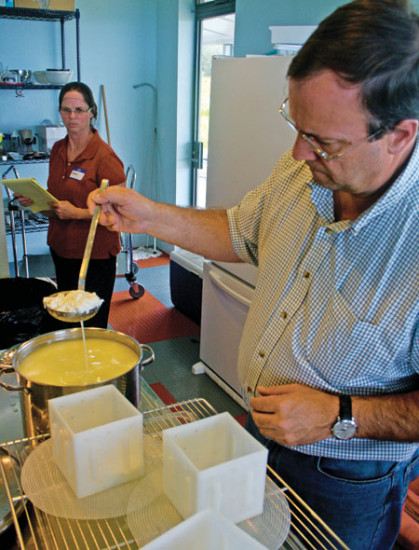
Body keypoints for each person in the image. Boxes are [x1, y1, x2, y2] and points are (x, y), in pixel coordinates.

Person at [88, 1, 419, 547]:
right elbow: (241, 231)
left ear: (400, 136)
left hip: (347, 477)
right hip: (256, 432)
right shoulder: (302, 168)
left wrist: (341, 415)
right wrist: (150, 214)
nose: (296, 151)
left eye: (322, 142)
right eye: (294, 124)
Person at [16, 82, 126, 329]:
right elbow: (56, 198)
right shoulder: (57, 150)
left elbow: (119, 210)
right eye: (66, 110)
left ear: (92, 112)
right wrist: (35, 201)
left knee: (91, 324)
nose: (72, 116)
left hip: (94, 253)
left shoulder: (105, 157)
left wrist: (75, 213)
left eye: (79, 109)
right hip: (62, 248)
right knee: (67, 320)